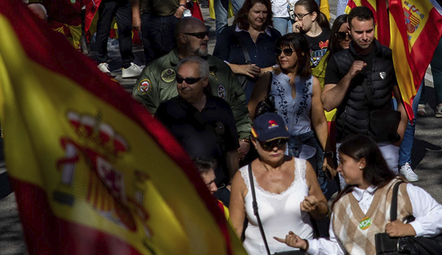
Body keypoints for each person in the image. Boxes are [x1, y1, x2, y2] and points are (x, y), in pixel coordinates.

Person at [283, 136, 442, 255]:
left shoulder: (401, 191)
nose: (338, 168)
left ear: (362, 163)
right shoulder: (341, 204)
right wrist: (306, 245)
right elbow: (339, 251)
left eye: (342, 161)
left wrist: (411, 228)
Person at [228, 113, 330, 255]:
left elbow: (323, 211)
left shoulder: (304, 168)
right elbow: (235, 229)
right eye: (268, 143)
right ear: (254, 142)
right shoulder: (242, 177)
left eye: (281, 141)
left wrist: (316, 207)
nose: (275, 148)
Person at [137, 15, 253, 141]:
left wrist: (244, 138)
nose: (206, 38)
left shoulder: (220, 68)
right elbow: (141, 109)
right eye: (200, 35)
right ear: (183, 38)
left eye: (207, 34)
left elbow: (238, 107)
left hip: (218, 146)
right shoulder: (156, 70)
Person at [323, 7, 406, 171]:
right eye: (359, 32)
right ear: (349, 30)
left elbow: (403, 99)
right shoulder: (338, 60)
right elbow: (327, 103)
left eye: (369, 31)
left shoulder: (388, 56)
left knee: (386, 188)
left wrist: (398, 137)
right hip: (350, 142)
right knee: (352, 189)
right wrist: (348, 76)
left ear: (375, 27)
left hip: (385, 143)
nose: (365, 37)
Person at [248, 33, 329, 189]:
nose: (282, 55)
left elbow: (319, 121)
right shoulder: (268, 79)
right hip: (277, 145)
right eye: (279, 51)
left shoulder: (312, 82)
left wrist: (328, 153)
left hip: (307, 146)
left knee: (308, 192)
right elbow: (250, 113)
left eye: (287, 51)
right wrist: (256, 142)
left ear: (301, 53)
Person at [155, 56, 242, 186]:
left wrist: (233, 184)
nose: (183, 85)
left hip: (218, 187)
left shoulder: (221, 107)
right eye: (179, 80)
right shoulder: (166, 111)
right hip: (184, 188)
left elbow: (232, 150)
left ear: (204, 81)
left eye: (190, 81)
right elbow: (156, 152)